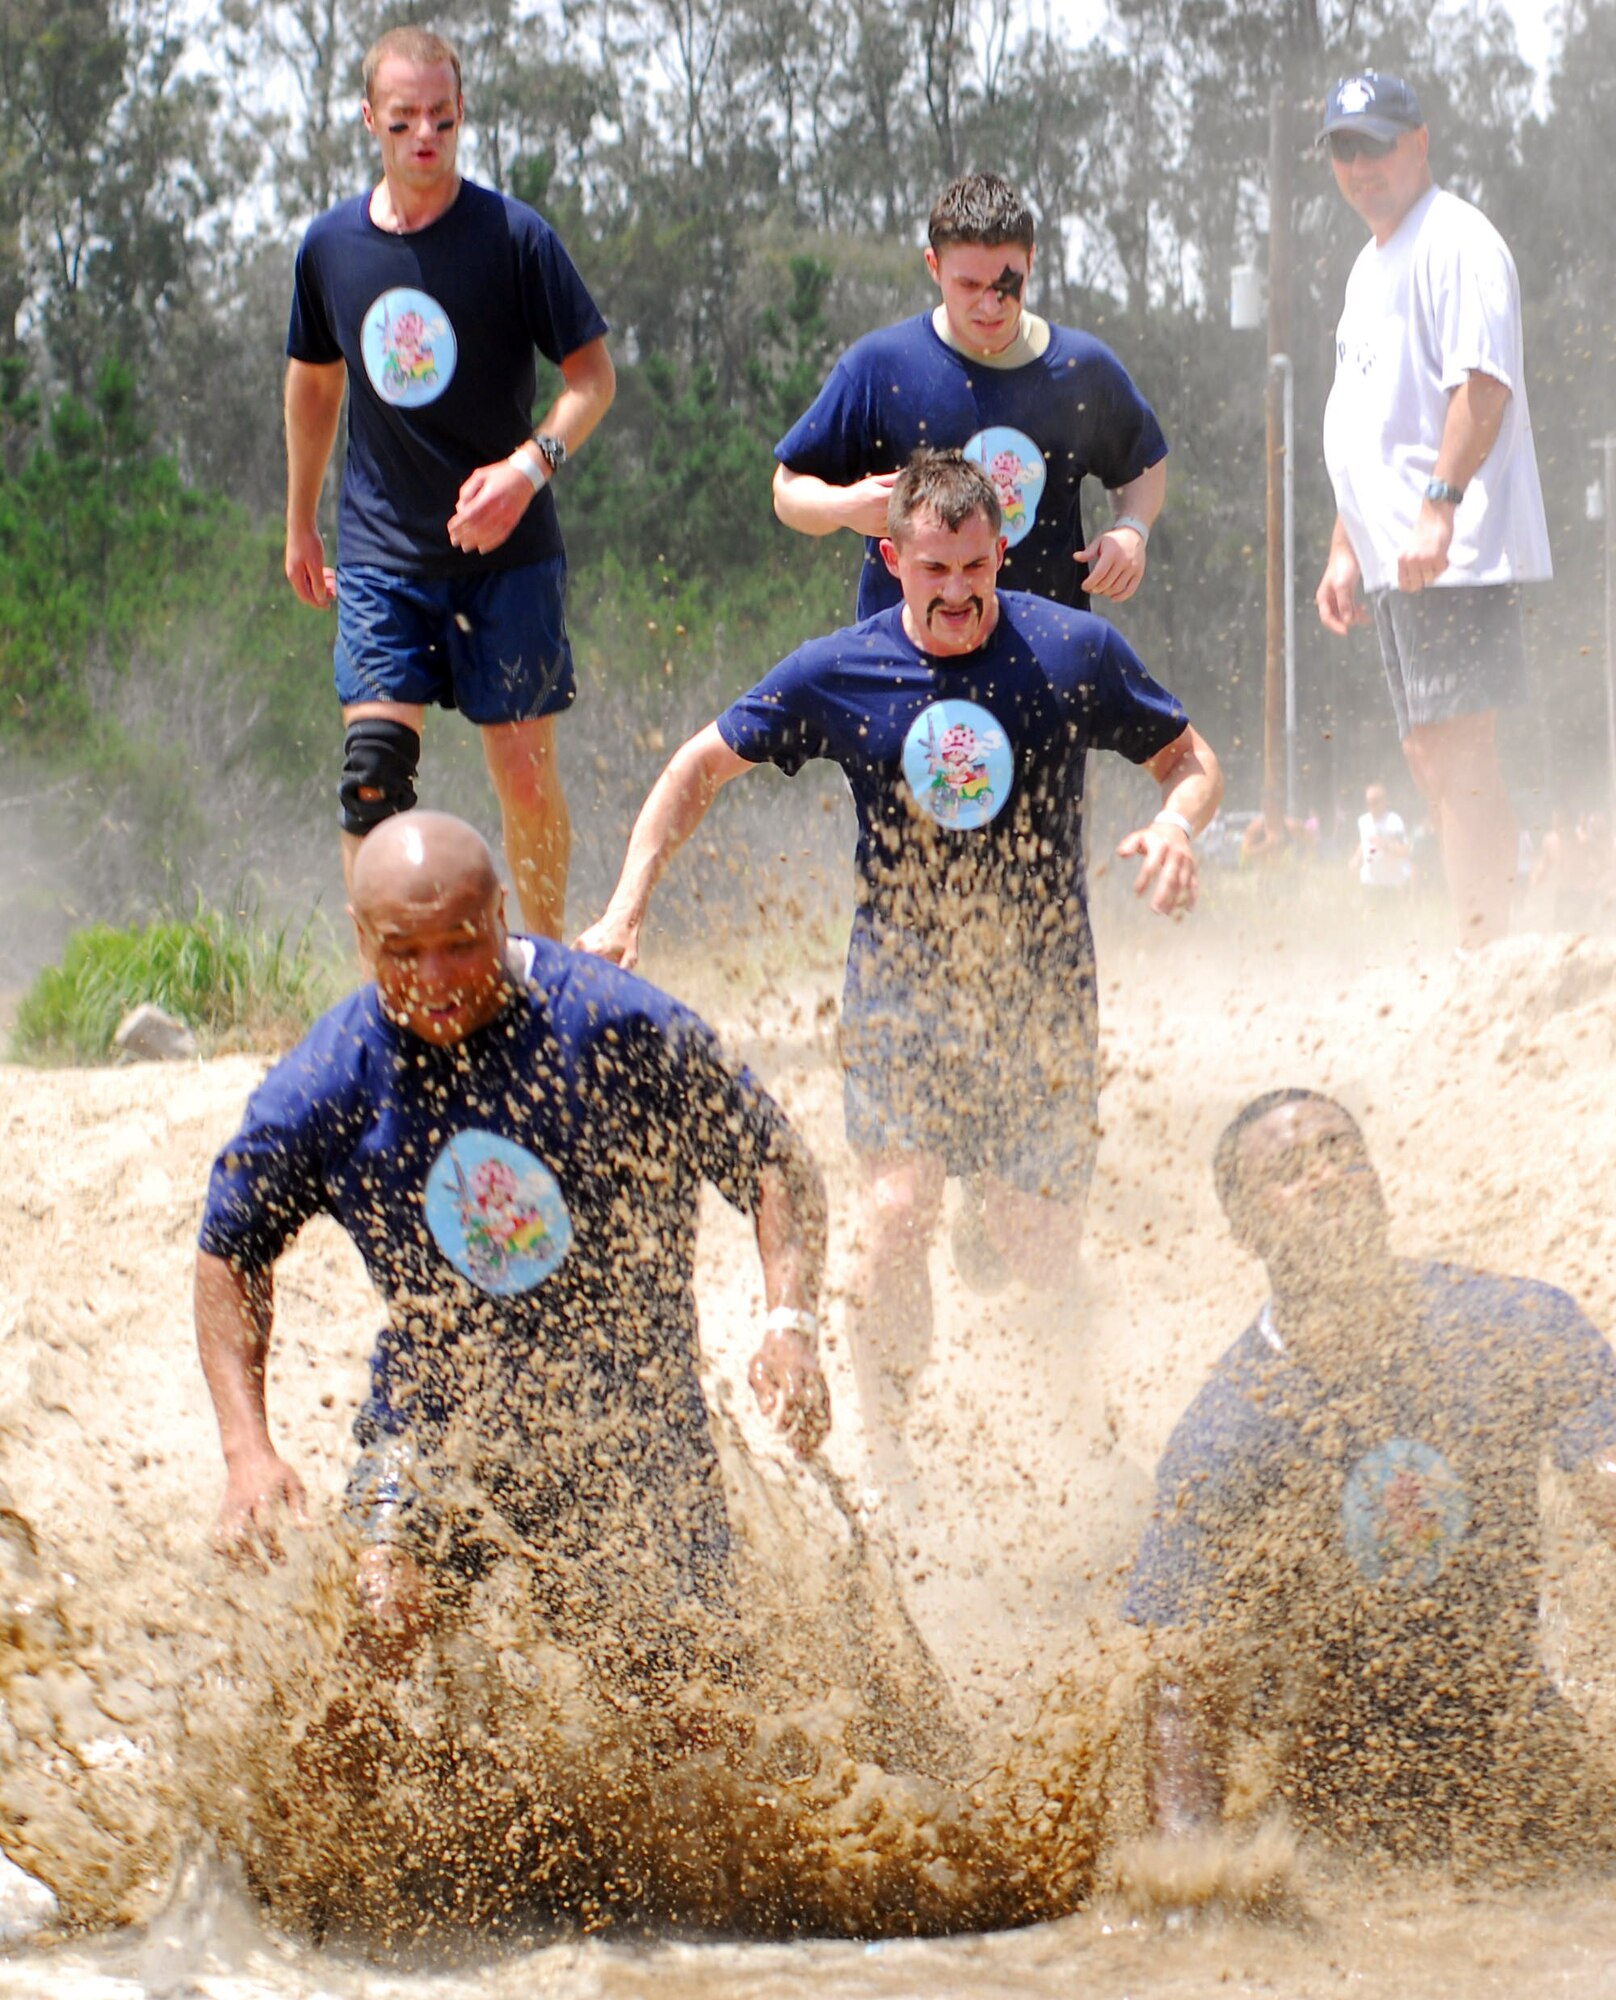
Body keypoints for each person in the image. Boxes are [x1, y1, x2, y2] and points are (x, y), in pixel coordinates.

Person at [579, 449, 1221, 1484]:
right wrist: (625, 905)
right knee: (892, 1215)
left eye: (977, 569)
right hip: (903, 987)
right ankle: (892, 1461)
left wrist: (1179, 823)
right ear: (894, 558)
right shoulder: (843, 666)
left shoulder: (1072, 650)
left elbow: (1190, 760)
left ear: (1000, 553)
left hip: (1041, 992)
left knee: (1034, 1243)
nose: (960, 592)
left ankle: (1078, 1442)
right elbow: (697, 765)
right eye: (936, 571)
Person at [196, 813, 829, 1683]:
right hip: (437, 1418)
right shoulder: (329, 1079)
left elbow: (771, 1161)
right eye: (401, 952)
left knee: (685, 1701)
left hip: (630, 1423)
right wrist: (247, 1451)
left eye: (459, 943)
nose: (434, 979)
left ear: (500, 913)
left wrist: (788, 1319)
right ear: (361, 939)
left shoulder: (612, 1026)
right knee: (379, 1625)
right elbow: (230, 1249)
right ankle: (312, 1818)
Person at [1126, 1090, 1616, 1856]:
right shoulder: (1228, 1433)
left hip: (1519, 1755)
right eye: (1290, 1169)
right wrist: (1186, 1870)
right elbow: (1177, 1677)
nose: (1326, 1175)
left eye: (1341, 1151)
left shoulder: (1516, 1328)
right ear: (1245, 1226)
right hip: (1333, 1810)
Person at [283, 25, 617, 940]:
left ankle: (544, 969)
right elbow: (315, 386)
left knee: (522, 775)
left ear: (462, 114)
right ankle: (388, 995)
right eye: (402, 121)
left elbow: (592, 377)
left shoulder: (514, 238)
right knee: (371, 772)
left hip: (508, 556)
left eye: (440, 117)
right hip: (384, 554)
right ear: (369, 122)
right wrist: (300, 523)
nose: (423, 136)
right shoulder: (329, 249)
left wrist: (527, 467)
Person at [1313, 73, 1551, 951]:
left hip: (1451, 547)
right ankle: (1486, 933)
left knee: (1458, 750)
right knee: (1428, 755)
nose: (1359, 166)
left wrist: (1440, 509)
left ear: (1418, 143)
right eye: (1344, 149)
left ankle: (1489, 950)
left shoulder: (1456, 240)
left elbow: (1480, 386)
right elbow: (1368, 423)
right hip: (1392, 558)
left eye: (1374, 144)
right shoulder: (1370, 263)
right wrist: (1344, 545)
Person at [772, 172, 1169, 620]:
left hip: (1046, 661)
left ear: (1031, 261)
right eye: (969, 286)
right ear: (933, 266)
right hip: (908, 668)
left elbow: (1144, 464)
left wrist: (1132, 529)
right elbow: (787, 491)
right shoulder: (880, 368)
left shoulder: (1081, 370)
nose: (989, 305)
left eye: (1006, 284)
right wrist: (844, 506)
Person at [1352, 780, 1413, 892]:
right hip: (1369, 882)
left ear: (1384, 801)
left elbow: (1405, 850)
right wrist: (1356, 857)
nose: (1371, 806)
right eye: (1368, 802)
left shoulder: (1394, 821)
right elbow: (1364, 842)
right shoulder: (1363, 821)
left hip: (1392, 883)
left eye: (1375, 802)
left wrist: (1384, 845)